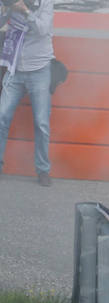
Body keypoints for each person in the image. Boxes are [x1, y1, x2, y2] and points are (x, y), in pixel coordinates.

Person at [0, 0, 55, 186]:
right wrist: (7, 9)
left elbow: (43, 29)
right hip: (14, 69)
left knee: (41, 123)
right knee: (1, 117)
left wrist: (24, 11)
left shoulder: (45, 2)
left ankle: (43, 170)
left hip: (39, 70)